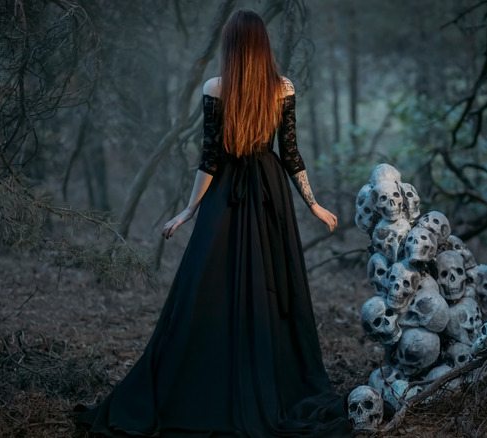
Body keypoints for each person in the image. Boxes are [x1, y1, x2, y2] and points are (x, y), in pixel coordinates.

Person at [76, 8, 352, 438]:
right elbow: (290, 154)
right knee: (260, 286)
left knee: (208, 288)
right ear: (262, 44)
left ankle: (209, 383)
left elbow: (210, 158)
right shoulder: (282, 87)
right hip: (269, 191)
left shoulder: (218, 87)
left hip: (227, 192)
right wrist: (309, 203)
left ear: (231, 46)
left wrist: (191, 209)